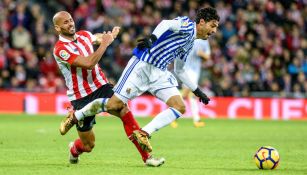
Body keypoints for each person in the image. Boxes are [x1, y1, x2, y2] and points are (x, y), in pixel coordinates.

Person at [61, 7, 219, 155]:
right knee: (113, 105)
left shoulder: (191, 42)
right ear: (202, 22)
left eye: (216, 27)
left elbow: (179, 70)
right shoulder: (187, 25)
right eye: (213, 26)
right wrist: (152, 38)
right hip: (142, 65)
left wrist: (197, 91)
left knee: (180, 107)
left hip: (159, 73)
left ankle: (144, 133)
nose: (214, 31)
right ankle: (77, 115)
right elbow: (166, 23)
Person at [52, 11, 164, 167]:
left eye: (71, 20)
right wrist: (104, 43)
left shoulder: (83, 35)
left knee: (123, 109)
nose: (70, 23)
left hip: (101, 86)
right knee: (88, 145)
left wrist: (109, 36)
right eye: (65, 22)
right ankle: (74, 149)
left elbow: (96, 37)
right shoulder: (60, 49)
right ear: (57, 28)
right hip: (81, 97)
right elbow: (88, 63)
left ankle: (148, 157)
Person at [170, 39, 211, 128]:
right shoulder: (190, 35)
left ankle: (195, 120)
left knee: (190, 94)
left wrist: (202, 54)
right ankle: (173, 116)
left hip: (196, 71)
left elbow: (207, 57)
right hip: (185, 69)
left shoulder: (205, 40)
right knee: (187, 92)